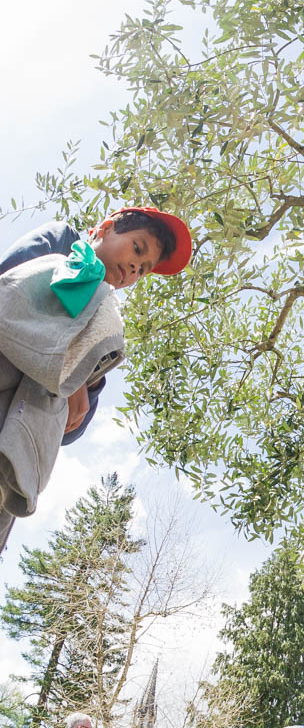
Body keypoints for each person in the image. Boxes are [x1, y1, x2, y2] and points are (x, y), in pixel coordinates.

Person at [0, 208, 191, 556]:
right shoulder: (61, 243)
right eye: (137, 249)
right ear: (105, 229)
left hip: (12, 458)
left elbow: (72, 429)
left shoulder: (106, 327)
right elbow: (7, 286)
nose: (136, 269)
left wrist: (75, 382)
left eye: (144, 268)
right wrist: (62, 368)